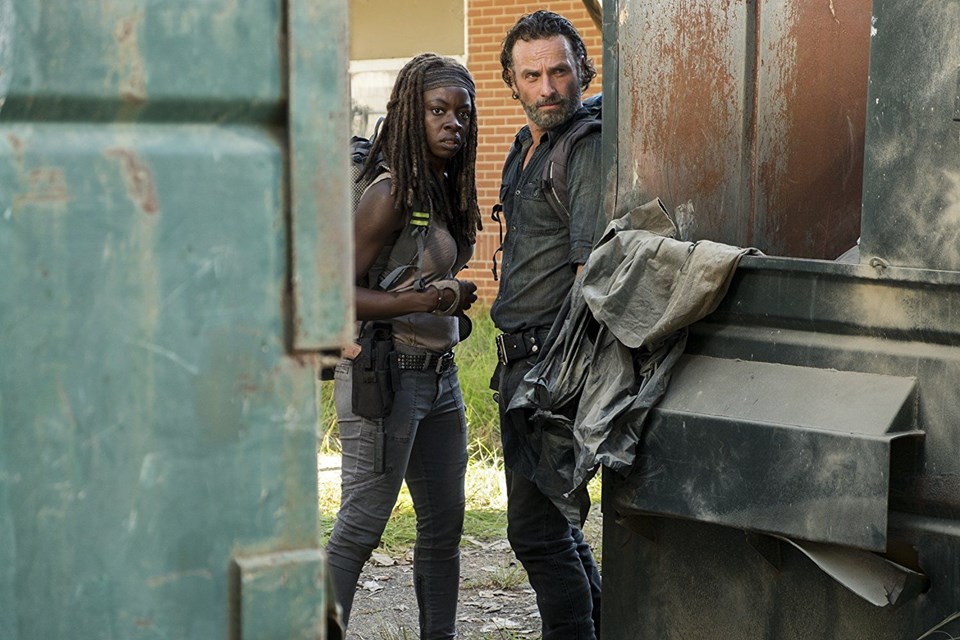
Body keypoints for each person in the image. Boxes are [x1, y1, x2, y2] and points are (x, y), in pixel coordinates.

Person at [325, 53, 480, 640]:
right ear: (410, 114)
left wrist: (442, 299)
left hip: (439, 379)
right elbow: (333, 294)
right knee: (360, 527)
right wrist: (429, 300)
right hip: (385, 379)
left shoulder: (438, 187)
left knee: (443, 530)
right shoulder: (389, 192)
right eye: (438, 110)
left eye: (462, 113)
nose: (452, 123)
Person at [490, 11, 604, 640]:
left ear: (582, 69)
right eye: (532, 75)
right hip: (514, 362)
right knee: (554, 525)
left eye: (560, 71)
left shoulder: (585, 147)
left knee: (535, 532)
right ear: (511, 81)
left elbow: (590, 278)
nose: (548, 88)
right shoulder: (523, 146)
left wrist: (560, 382)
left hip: (551, 367)